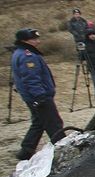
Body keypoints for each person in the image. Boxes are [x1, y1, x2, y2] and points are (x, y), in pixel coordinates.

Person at [11, 28, 65, 160]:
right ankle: (64, 148)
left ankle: (26, 150)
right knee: (54, 123)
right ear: (24, 41)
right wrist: (40, 96)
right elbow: (31, 79)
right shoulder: (27, 56)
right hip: (39, 97)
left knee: (38, 122)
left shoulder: (19, 53)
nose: (37, 41)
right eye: (33, 39)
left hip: (33, 96)